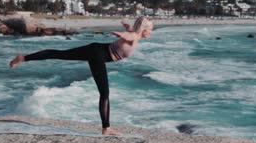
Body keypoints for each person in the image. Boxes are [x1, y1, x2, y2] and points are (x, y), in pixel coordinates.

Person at [9, 17, 154, 136]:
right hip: (98, 54)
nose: (151, 32)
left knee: (60, 54)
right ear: (144, 30)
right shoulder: (133, 36)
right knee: (104, 93)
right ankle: (106, 128)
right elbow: (128, 35)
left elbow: (129, 31)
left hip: (97, 50)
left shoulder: (134, 34)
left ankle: (23, 58)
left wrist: (125, 25)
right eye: (151, 30)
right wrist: (120, 33)